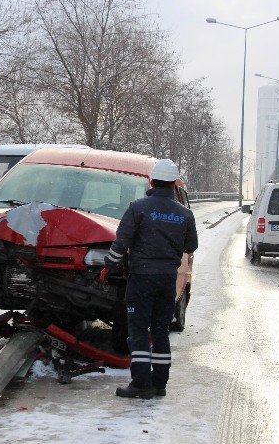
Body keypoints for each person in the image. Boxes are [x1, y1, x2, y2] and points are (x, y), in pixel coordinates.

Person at [100, 158, 198, 399]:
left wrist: (108, 267)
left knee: (139, 331)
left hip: (141, 278)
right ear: (175, 184)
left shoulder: (138, 208)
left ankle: (141, 383)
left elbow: (120, 244)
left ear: (152, 181)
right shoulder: (185, 214)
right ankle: (160, 384)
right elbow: (191, 245)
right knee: (161, 330)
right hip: (167, 280)